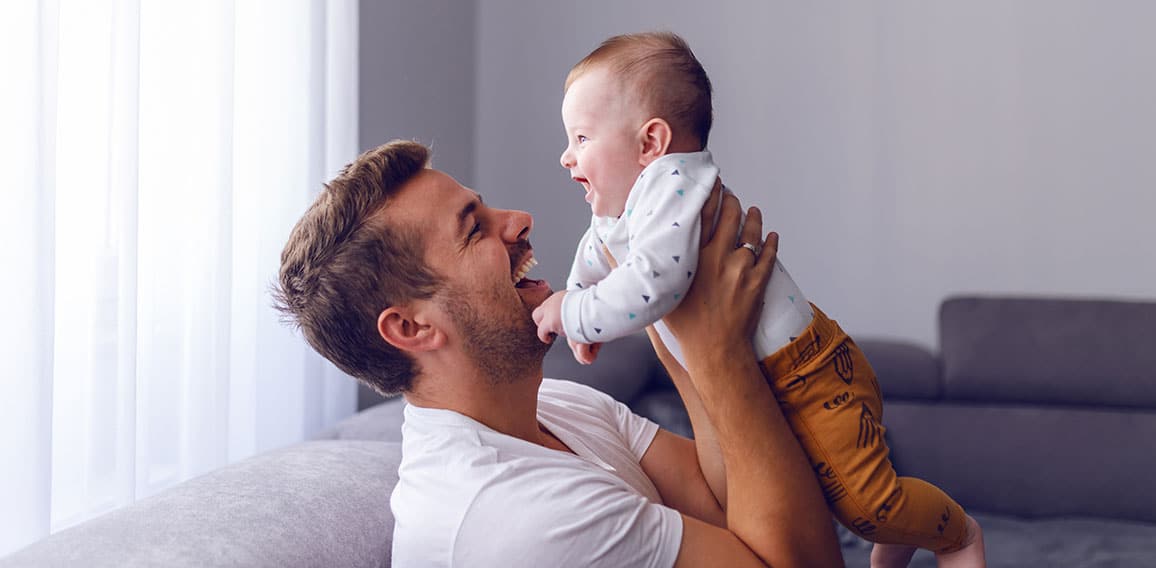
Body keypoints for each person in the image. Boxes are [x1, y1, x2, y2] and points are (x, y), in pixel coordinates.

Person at [274, 139, 844, 566]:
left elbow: (732, 500)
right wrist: (720, 354)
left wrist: (664, 303)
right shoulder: (516, 517)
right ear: (410, 327)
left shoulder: (558, 406)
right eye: (474, 230)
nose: (519, 221)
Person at [531, 32, 985, 567]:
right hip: (764, 372)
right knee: (812, 496)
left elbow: (653, 285)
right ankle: (904, 526)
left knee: (864, 507)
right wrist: (582, 299)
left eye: (581, 138)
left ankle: (956, 533)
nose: (566, 157)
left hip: (808, 373)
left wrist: (575, 314)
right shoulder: (630, 207)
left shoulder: (674, 186)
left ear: (650, 144)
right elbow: (596, 250)